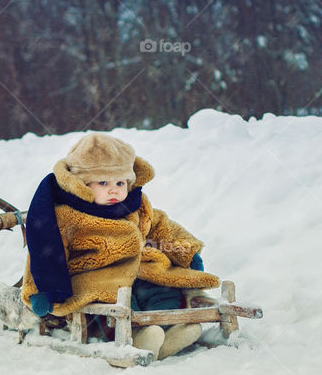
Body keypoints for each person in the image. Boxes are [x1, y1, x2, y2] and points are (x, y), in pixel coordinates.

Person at [20, 132, 218, 359]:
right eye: (103, 182)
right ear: (82, 184)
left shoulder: (135, 205)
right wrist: (42, 290)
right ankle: (136, 335)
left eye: (120, 182)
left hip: (140, 267)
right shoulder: (66, 216)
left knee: (161, 289)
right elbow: (43, 252)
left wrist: (187, 252)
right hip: (95, 274)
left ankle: (166, 330)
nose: (114, 190)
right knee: (116, 301)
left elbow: (162, 228)